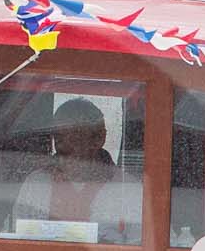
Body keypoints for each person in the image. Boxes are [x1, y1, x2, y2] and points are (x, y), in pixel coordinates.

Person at [11, 98, 141, 243]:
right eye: (59, 139)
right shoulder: (37, 184)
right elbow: (14, 239)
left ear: (99, 139)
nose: (63, 147)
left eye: (74, 138)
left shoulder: (128, 190)